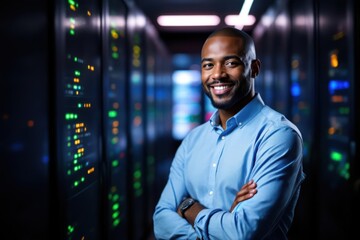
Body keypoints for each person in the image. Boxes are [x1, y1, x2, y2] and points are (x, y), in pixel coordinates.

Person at [153, 27, 305, 239]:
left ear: (254, 68)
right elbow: (161, 219)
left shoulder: (279, 136)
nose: (217, 74)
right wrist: (224, 221)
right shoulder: (193, 140)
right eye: (208, 65)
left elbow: (243, 231)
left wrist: (189, 208)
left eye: (231, 63)